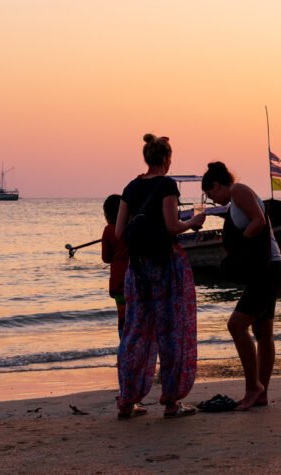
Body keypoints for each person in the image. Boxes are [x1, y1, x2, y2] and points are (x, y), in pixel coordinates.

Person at [115, 134, 205, 419]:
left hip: (137, 270)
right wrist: (192, 222)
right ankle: (171, 402)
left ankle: (128, 401)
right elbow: (171, 226)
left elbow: (119, 233)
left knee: (135, 332)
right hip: (166, 267)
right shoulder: (166, 184)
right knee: (173, 331)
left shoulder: (130, 187)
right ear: (166, 159)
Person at [202, 161, 281, 410]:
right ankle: (261, 393)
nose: (212, 199)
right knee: (263, 333)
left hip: (268, 270)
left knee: (236, 325)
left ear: (217, 185)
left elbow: (258, 221)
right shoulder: (237, 199)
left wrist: (238, 247)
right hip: (271, 268)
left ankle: (253, 388)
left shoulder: (238, 190)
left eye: (210, 194)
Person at [100, 194, 128, 338]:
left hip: (118, 281)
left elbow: (106, 258)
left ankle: (124, 350)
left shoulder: (108, 230)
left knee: (123, 318)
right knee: (136, 318)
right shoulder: (131, 227)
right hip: (134, 278)